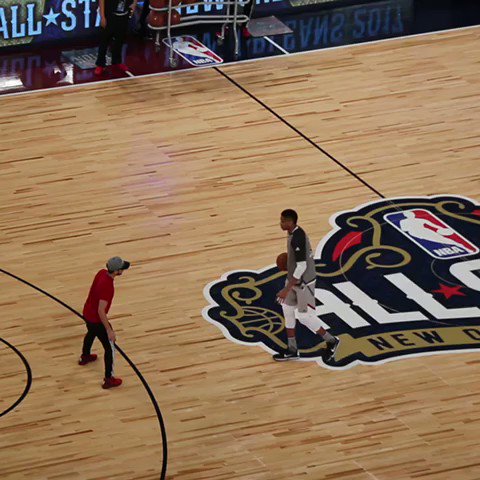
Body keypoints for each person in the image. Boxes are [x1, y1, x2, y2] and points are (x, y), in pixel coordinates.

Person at [274, 209, 340, 362]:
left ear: (290, 222)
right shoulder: (292, 233)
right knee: (287, 309)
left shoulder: (298, 238)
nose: (281, 223)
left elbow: (302, 266)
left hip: (304, 283)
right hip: (294, 278)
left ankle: (332, 341)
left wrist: (286, 289)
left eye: (283, 220)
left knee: (304, 317)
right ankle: (292, 349)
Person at [79, 256, 130, 389]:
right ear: (117, 271)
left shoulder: (101, 272)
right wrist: (109, 330)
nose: (123, 270)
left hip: (87, 313)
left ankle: (85, 356)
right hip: (96, 319)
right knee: (109, 347)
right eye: (121, 269)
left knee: (91, 332)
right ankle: (109, 379)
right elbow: (101, 311)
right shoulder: (108, 287)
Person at [95, 0, 137, 75]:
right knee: (104, 40)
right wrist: (102, 17)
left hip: (124, 16)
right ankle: (100, 64)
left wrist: (134, 4)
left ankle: (117, 61)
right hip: (110, 15)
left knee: (119, 40)